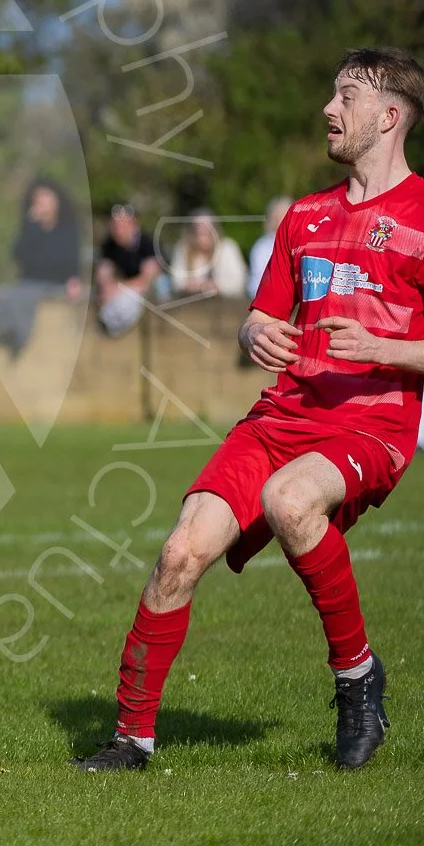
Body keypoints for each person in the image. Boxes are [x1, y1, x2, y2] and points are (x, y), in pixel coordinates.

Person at [73, 48, 424, 775]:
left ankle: (357, 676)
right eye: (331, 94)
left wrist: (385, 348)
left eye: (347, 97)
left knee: (290, 501)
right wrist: (254, 332)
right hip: (280, 417)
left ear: (390, 116)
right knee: (179, 553)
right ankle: (131, 739)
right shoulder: (305, 216)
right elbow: (260, 316)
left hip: (371, 423)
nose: (329, 109)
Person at [0, 179, 83, 359]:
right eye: (38, 199)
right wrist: (31, 225)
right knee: (6, 296)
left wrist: (74, 280)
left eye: (45, 198)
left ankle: (20, 339)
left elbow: (71, 260)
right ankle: (9, 336)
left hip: (55, 283)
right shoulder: (31, 228)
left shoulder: (68, 229)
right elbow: (19, 254)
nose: (41, 203)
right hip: (29, 281)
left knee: (26, 297)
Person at [94, 203, 160, 336]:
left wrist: (118, 288)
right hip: (124, 292)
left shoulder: (148, 244)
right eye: (115, 225)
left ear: (134, 224)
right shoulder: (108, 245)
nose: (118, 230)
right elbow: (103, 275)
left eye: (122, 225)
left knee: (126, 302)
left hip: (152, 294)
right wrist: (107, 287)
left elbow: (146, 281)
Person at [169, 209, 248, 299]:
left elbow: (238, 282)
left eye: (207, 233)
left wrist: (217, 287)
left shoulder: (228, 248)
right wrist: (195, 287)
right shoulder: (183, 248)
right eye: (199, 234)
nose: (202, 238)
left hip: (226, 304)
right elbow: (177, 283)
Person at [248, 195, 293, 300]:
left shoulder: (304, 244)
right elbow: (256, 283)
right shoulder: (261, 247)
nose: (281, 220)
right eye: (277, 216)